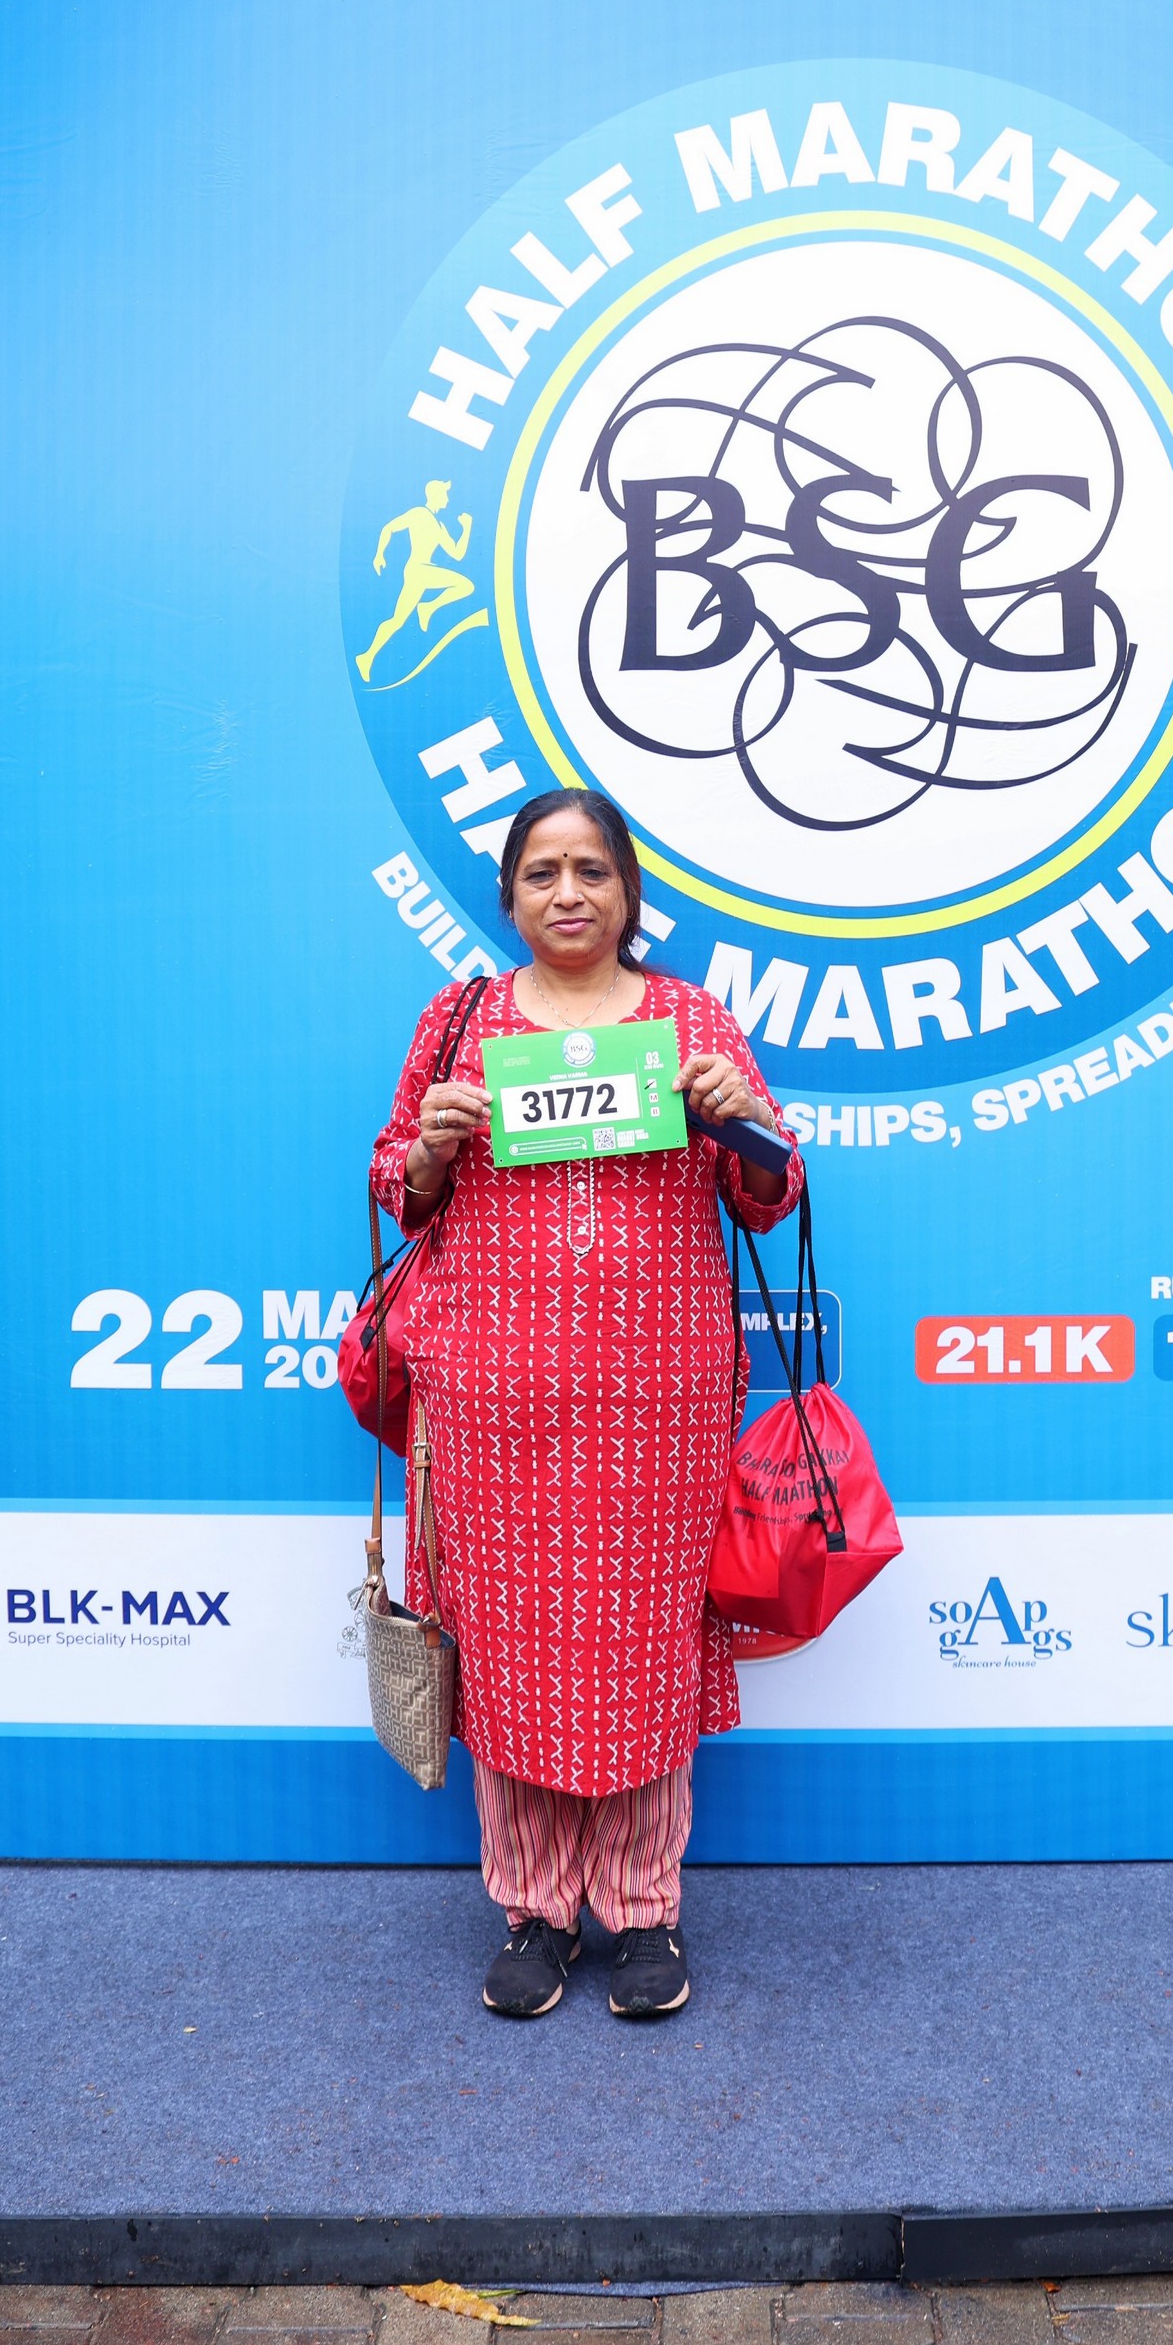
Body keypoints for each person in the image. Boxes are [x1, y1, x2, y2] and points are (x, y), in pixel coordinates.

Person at [371, 789, 801, 2021]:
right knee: (511, 1649)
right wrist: (433, 1147)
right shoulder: (459, 1022)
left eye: (592, 870)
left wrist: (744, 1121)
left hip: (657, 1400)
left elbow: (772, 1192)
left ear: (628, 892)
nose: (568, 892)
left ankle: (644, 1908)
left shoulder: (689, 1020)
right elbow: (396, 1185)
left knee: (641, 1646)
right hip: (493, 1399)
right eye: (543, 871)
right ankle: (535, 1910)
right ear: (509, 896)